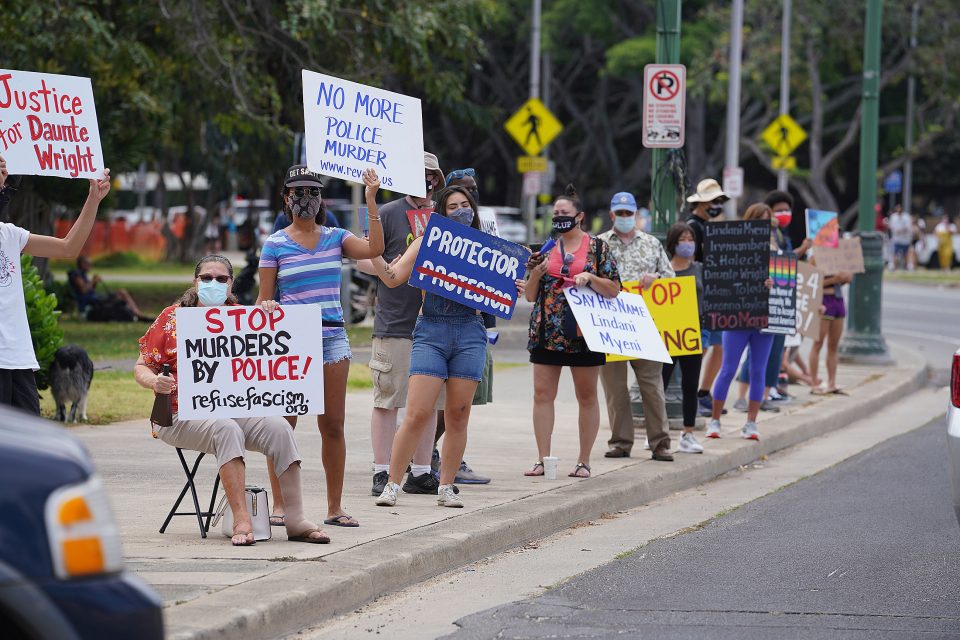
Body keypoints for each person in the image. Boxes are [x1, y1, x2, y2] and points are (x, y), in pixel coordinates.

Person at [134, 254, 328, 545]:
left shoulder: (242, 317)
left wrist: (271, 314)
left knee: (280, 428)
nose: (213, 283)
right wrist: (155, 381)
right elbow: (140, 366)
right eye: (206, 278)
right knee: (226, 428)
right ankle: (241, 518)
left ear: (231, 283)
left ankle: (296, 519)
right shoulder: (172, 318)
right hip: (176, 414)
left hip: (231, 409)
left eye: (221, 278)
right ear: (195, 281)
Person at [371, 186, 519, 508]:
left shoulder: (488, 250)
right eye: (453, 206)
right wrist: (376, 254)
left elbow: (510, 289)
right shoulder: (427, 243)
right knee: (418, 412)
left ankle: (446, 486)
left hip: (470, 332)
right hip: (431, 331)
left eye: (465, 205)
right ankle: (392, 485)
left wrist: (515, 284)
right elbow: (394, 277)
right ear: (440, 211)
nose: (460, 211)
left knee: (458, 415)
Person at [257, 165, 385, 529]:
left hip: (331, 338)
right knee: (282, 425)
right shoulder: (275, 244)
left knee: (332, 424)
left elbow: (376, 247)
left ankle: (335, 506)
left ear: (322, 198)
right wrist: (266, 306)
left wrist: (371, 198)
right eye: (298, 192)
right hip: (292, 340)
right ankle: (280, 505)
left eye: (313, 192)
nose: (305, 199)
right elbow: (263, 299)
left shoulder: (336, 238)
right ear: (286, 198)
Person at [356, 152, 446, 497]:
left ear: (437, 179)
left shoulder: (443, 215)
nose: (426, 181)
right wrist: (390, 269)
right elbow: (364, 256)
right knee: (388, 399)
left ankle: (421, 470)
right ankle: (382, 470)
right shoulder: (390, 212)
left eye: (431, 175)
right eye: (418, 174)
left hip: (436, 321)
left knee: (428, 403)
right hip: (396, 320)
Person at [524, 185, 621, 478]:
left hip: (584, 332)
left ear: (579, 217)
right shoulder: (546, 247)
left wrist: (590, 277)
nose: (559, 218)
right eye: (555, 214)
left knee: (587, 396)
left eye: (564, 214)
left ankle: (583, 460)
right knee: (542, 394)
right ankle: (542, 458)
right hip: (547, 330)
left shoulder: (598, 248)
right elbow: (529, 296)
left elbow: (615, 289)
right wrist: (537, 274)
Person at [0, 157, 111, 414]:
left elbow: (68, 247)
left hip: (18, 360)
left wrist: (93, 199)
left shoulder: (10, 234)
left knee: (27, 448)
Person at [597, 191, 675, 462]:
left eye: (629, 213)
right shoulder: (599, 244)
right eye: (620, 213)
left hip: (647, 325)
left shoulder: (652, 244)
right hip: (611, 326)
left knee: (652, 386)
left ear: (637, 216)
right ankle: (620, 442)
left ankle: (660, 443)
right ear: (612, 215)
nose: (625, 218)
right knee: (614, 388)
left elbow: (671, 278)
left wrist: (657, 277)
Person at [431, 166, 492, 484]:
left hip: (476, 328)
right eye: (455, 201)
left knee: (463, 405)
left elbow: (495, 281)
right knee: (435, 406)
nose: (464, 206)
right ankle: (425, 456)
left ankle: (451, 460)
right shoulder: (436, 238)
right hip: (437, 330)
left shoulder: (486, 232)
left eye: (472, 194)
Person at [732, 190, 811, 410]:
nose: (779, 217)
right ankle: (742, 396)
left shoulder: (778, 237)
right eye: (775, 213)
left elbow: (782, 264)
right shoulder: (743, 241)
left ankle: (764, 396)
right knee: (751, 356)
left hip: (777, 302)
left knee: (774, 352)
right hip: (752, 304)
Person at [705, 203, 776, 442]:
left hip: (763, 320)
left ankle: (751, 423)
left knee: (758, 370)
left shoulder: (776, 251)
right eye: (759, 222)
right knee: (728, 369)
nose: (763, 227)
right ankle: (715, 421)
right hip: (736, 316)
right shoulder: (734, 247)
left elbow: (790, 282)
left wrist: (773, 284)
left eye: (767, 222)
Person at [684, 178, 729, 417]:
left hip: (714, 294)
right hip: (700, 295)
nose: (717, 205)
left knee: (719, 346)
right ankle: (692, 392)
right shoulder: (694, 226)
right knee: (700, 347)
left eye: (720, 201)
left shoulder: (709, 226)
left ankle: (703, 392)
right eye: (714, 201)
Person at [660, 222, 705, 454]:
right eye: (682, 239)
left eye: (691, 239)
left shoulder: (700, 269)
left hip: (692, 335)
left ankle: (688, 433)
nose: (687, 244)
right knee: (660, 384)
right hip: (667, 335)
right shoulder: (663, 271)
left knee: (690, 385)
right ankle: (656, 432)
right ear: (673, 243)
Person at [808, 264, 852, 395]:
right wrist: (834, 279)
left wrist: (845, 277)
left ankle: (832, 382)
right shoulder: (815, 258)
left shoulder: (838, 257)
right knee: (818, 343)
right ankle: (814, 382)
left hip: (838, 299)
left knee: (833, 345)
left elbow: (846, 278)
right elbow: (810, 282)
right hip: (823, 299)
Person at [67, 255, 148, 321]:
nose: (90, 266)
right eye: (88, 264)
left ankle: (136, 313)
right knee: (121, 293)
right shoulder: (75, 274)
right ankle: (137, 314)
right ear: (82, 264)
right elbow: (83, 290)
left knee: (121, 293)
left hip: (95, 299)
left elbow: (88, 290)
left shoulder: (82, 274)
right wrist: (93, 281)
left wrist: (94, 283)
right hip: (90, 303)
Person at [888, 205, 912, 271]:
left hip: (905, 239)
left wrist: (900, 231)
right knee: (895, 253)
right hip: (896, 239)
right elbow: (891, 226)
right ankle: (894, 266)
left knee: (906, 253)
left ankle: (907, 266)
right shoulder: (893, 217)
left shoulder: (906, 217)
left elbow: (908, 228)